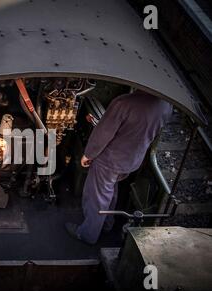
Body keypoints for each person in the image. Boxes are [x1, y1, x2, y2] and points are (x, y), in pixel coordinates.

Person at [66, 89, 173, 244]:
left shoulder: (123, 103)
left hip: (110, 161)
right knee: (110, 190)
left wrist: (88, 154)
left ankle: (87, 234)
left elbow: (103, 133)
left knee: (97, 197)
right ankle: (107, 224)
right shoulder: (166, 105)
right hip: (132, 161)